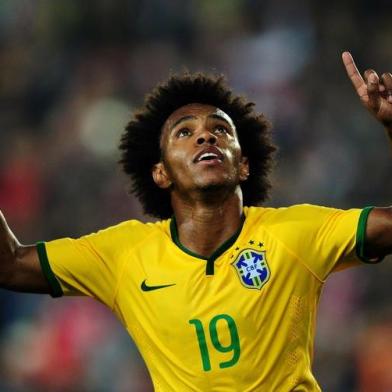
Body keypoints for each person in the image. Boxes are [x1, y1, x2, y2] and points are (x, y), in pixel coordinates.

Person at [0, 51, 391, 391]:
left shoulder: (294, 234)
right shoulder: (125, 255)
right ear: (160, 173)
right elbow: (11, 265)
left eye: (221, 130)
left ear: (243, 165)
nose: (206, 137)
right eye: (184, 132)